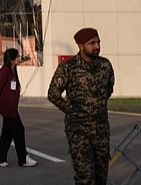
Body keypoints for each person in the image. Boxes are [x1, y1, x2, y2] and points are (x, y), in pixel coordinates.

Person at [47, 27, 116, 185]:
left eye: (98, 42)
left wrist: (96, 106)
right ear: (81, 46)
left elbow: (108, 90)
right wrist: (70, 110)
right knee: (86, 177)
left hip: (101, 130)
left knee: (101, 177)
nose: (97, 46)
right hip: (78, 130)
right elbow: (53, 94)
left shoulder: (105, 66)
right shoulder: (68, 68)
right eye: (92, 43)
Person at [0, 48, 37, 167]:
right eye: (17, 56)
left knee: (7, 134)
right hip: (7, 108)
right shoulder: (5, 71)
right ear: (11, 59)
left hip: (11, 108)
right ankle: (23, 158)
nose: (19, 58)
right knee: (19, 130)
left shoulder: (12, 71)